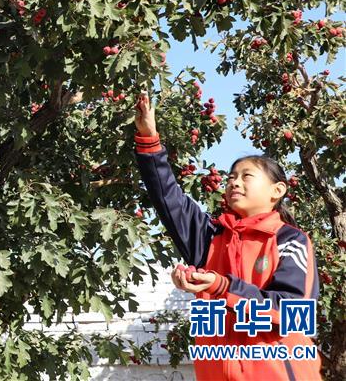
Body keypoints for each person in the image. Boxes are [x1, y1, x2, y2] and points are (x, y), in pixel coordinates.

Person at [133, 92, 321, 380]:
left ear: (277, 190)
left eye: (247, 176)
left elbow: (292, 311)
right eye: (232, 176)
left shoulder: (289, 240)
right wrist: (149, 140)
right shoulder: (211, 237)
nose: (234, 181)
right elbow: (167, 198)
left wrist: (223, 287)